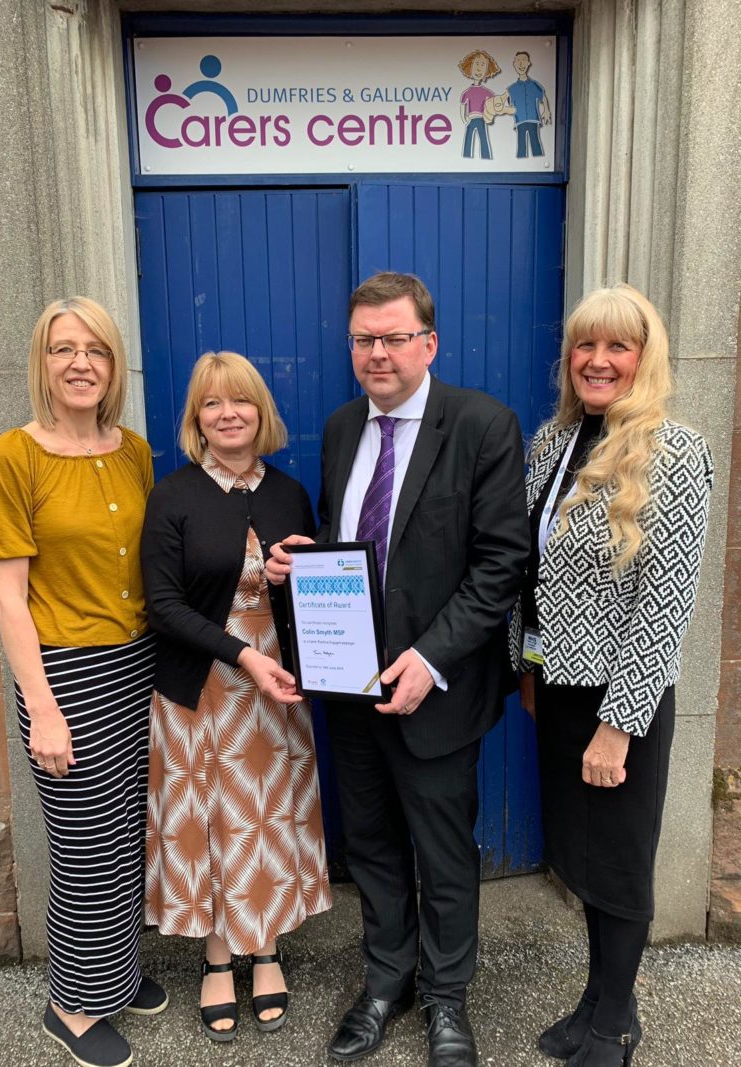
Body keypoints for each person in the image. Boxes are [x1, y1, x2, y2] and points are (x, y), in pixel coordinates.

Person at [266, 272, 529, 1067]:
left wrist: (429, 657)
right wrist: (304, 559)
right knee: (374, 844)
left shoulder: (483, 425)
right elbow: (353, 540)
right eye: (363, 340)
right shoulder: (345, 427)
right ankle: (389, 980)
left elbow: (501, 563)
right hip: (349, 687)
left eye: (393, 337)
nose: (377, 353)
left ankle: (447, 998)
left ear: (428, 343)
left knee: (444, 855)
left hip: (436, 691)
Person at [509, 284, 713, 1066]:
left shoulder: (675, 451)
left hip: (617, 700)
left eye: (617, 346)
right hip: (555, 690)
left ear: (643, 358)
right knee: (585, 858)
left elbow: (666, 605)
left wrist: (619, 723)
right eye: (585, 346)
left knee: (621, 860)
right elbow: (533, 575)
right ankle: (596, 998)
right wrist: (526, 669)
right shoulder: (553, 445)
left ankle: (616, 1023)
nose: (598, 360)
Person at [0, 298, 167, 1067]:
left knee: (126, 833)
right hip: (68, 673)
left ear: (114, 364)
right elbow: (6, 598)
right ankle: (71, 1001)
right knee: (85, 843)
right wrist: (42, 709)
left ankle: (113, 972)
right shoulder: (10, 457)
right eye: (63, 349)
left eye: (95, 348)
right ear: (43, 362)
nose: (80, 362)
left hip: (139, 661)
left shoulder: (135, 450)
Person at [141, 351, 332, 1043]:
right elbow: (162, 605)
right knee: (217, 820)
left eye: (240, 401)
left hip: (276, 684)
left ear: (261, 411)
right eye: (212, 404)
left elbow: (314, 589)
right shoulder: (174, 496)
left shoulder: (289, 491)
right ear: (196, 419)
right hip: (205, 685)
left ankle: (268, 945)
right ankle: (219, 954)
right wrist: (243, 654)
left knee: (268, 815)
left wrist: (294, 580)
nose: (228, 414)